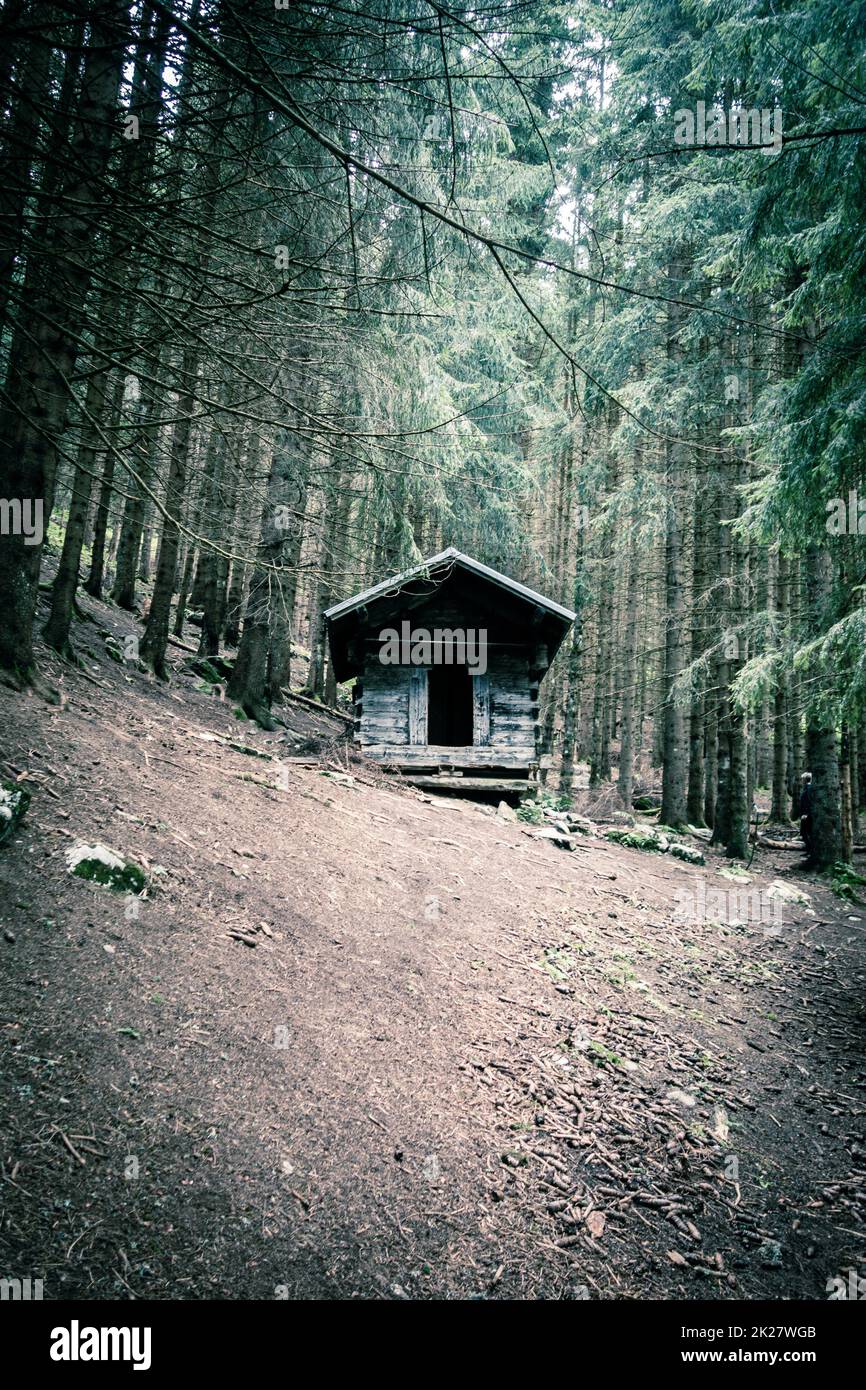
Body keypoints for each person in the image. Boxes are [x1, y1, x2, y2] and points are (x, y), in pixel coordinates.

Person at [799, 772, 814, 861]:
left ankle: (810, 851)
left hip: (807, 815)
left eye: (802, 779)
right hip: (805, 814)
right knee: (804, 833)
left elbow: (808, 802)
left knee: (806, 833)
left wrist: (806, 813)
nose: (801, 781)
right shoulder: (807, 788)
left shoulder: (809, 788)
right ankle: (808, 850)